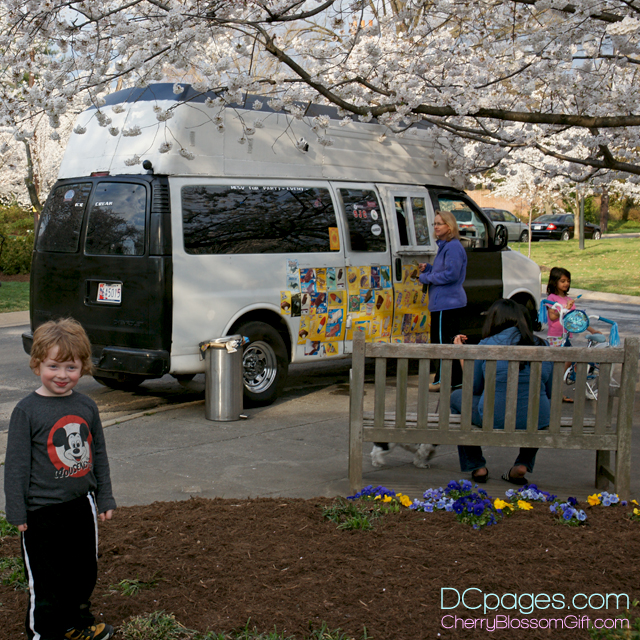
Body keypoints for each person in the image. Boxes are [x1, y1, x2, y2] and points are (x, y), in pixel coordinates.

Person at [4, 318, 116, 640]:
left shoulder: (86, 406)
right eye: (53, 366)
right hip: (41, 513)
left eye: (71, 367)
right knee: (47, 581)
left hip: (81, 506)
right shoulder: (27, 411)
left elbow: (99, 456)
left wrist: (105, 497)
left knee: (83, 573)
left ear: (83, 367)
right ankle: (45, 633)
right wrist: (17, 509)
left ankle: (75, 625)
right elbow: (16, 465)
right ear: (37, 364)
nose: (62, 375)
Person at [450, 299, 553, 485]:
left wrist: (462, 354)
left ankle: (477, 465)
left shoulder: (486, 345)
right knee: (537, 409)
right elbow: (550, 390)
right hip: (537, 418)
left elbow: (474, 387)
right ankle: (523, 463)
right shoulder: (543, 345)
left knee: (456, 398)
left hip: (494, 417)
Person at [418, 209, 467, 391]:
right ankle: (455, 379)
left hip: (446, 303)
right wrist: (429, 268)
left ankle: (443, 380)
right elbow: (445, 271)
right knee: (450, 341)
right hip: (446, 302)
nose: (436, 227)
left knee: (441, 343)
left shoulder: (452, 247)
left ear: (449, 226)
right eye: (435, 224)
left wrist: (426, 278)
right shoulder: (446, 246)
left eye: (440, 223)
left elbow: (451, 274)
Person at [544, 266, 601, 402]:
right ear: (554, 282)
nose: (566, 284)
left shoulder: (568, 299)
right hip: (556, 336)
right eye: (562, 281)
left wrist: (592, 330)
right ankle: (555, 392)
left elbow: (576, 320)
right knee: (561, 364)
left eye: (568, 281)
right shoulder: (552, 298)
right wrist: (565, 308)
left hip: (566, 336)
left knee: (566, 362)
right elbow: (552, 316)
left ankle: (556, 391)